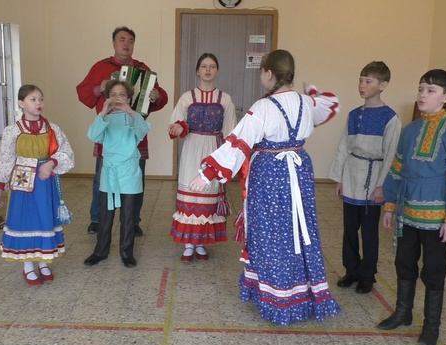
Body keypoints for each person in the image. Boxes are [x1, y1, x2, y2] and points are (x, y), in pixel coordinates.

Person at [189, 50, 341, 325]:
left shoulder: (263, 108)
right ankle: (303, 294)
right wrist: (311, 91)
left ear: (269, 73)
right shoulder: (306, 102)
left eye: (261, 72)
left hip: (271, 174)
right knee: (298, 229)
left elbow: (239, 141)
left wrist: (208, 172)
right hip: (299, 170)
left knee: (271, 232)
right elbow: (326, 105)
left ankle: (279, 298)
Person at [377, 69, 446, 345]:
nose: (422, 95)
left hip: (437, 219)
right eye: (420, 89)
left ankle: (432, 326)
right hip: (407, 215)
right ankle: (403, 313)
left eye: (430, 90)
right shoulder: (410, 130)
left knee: (433, 270)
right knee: (403, 264)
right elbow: (396, 170)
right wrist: (390, 206)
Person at [76, 26, 168, 237]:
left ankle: (133, 221)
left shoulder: (143, 69)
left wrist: (155, 96)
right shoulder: (100, 67)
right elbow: (83, 93)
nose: (126, 44)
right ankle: (98, 219)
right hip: (108, 134)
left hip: (134, 134)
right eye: (122, 39)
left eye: (130, 41)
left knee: (137, 178)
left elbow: (160, 96)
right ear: (114, 43)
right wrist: (100, 88)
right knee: (102, 178)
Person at [329, 61, 401, 294]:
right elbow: (343, 147)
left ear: (383, 85)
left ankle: (367, 275)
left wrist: (382, 186)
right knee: (350, 228)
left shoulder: (390, 118)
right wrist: (339, 178)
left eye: (368, 81)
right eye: (361, 80)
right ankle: (351, 270)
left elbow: (391, 154)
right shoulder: (353, 115)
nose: (362, 85)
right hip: (352, 175)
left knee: (369, 232)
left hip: (373, 179)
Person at [0, 84, 74, 286]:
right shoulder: (13, 131)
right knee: (26, 221)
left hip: (45, 182)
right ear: (21, 103)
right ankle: (28, 265)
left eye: (41, 99)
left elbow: (66, 151)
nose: (38, 103)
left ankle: (44, 260)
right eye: (33, 99)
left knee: (44, 220)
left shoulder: (52, 128)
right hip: (23, 184)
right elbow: (6, 159)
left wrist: (51, 163)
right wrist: (0, 186)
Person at [168, 53, 236, 262]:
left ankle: (201, 243)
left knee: (209, 192)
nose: (208, 70)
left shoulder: (225, 99)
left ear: (217, 71)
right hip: (192, 147)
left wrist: (226, 158)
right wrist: (179, 127)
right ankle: (189, 243)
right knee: (191, 191)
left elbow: (230, 131)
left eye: (212, 66)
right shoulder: (187, 97)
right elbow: (174, 125)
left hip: (214, 150)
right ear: (197, 70)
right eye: (204, 66)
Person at [83, 80, 151, 268]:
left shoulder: (134, 118)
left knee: (128, 215)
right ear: (107, 98)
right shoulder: (104, 118)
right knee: (105, 214)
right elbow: (93, 135)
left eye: (122, 94)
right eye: (113, 94)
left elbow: (142, 131)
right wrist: (103, 112)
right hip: (110, 171)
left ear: (129, 98)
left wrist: (130, 111)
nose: (117, 98)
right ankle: (100, 251)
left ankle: (126, 252)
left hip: (129, 171)